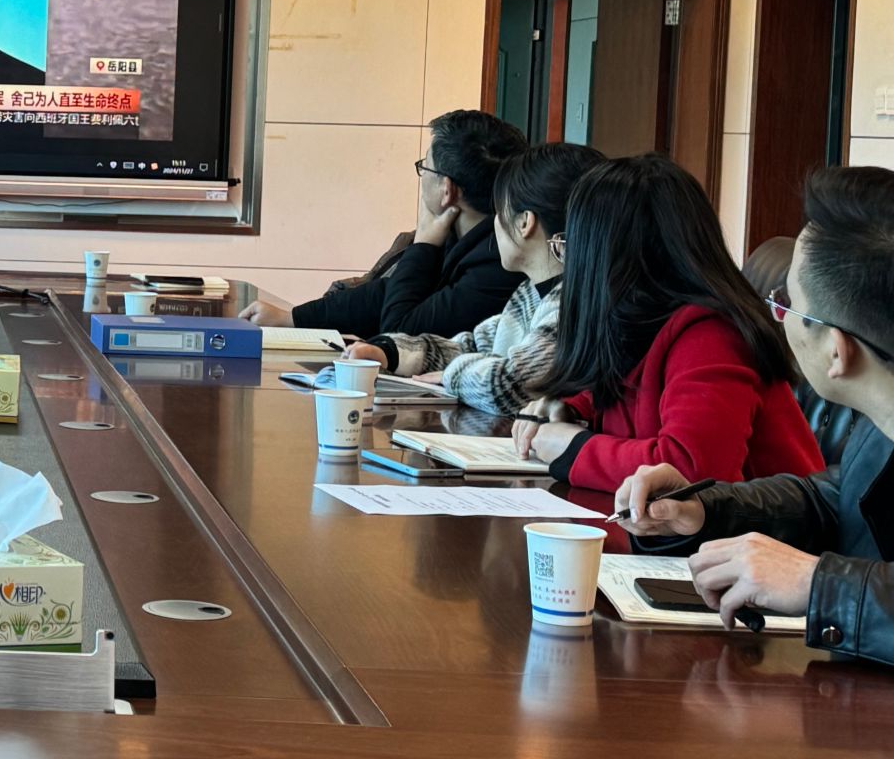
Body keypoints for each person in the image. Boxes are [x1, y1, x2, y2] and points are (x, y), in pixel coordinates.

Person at [617, 167, 894, 662]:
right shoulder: (879, 422)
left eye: (787, 306)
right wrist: (706, 509)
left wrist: (818, 585)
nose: (778, 319)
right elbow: (839, 500)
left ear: (836, 350)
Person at [511, 153, 821, 493]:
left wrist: (574, 448)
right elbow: (627, 393)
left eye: (571, 248)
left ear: (611, 259)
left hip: (768, 527)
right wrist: (572, 410)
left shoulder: (713, 334)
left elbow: (691, 471)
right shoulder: (642, 321)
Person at [348, 142, 602, 414]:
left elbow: (505, 386)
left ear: (525, 222)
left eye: (499, 211)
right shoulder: (530, 292)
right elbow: (474, 346)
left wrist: (451, 376)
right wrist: (389, 352)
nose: (494, 224)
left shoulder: (574, 304)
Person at [241, 109, 527, 339]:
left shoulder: (497, 264)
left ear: (447, 190)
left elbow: (400, 333)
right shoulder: (461, 236)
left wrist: (424, 244)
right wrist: (292, 318)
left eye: (425, 167)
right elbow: (385, 293)